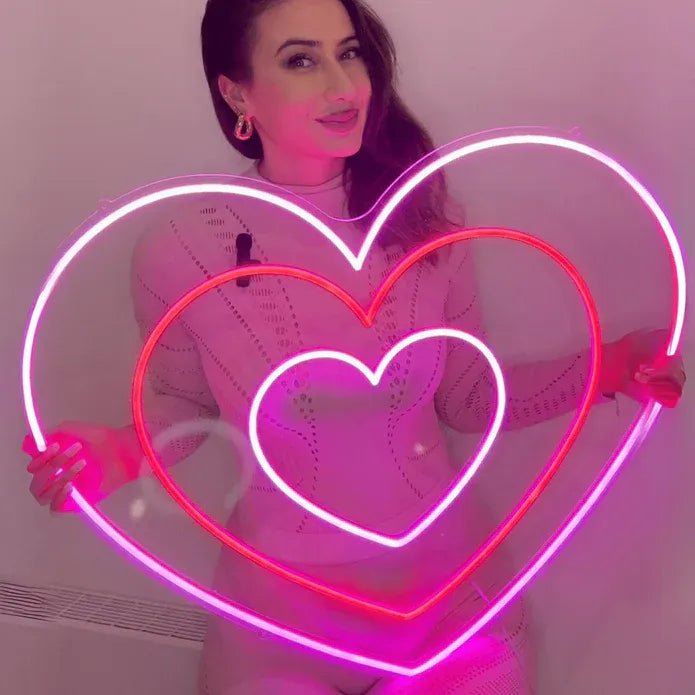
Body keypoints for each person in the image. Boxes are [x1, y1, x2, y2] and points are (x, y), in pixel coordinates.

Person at [25, 1, 686, 693]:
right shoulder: (180, 250)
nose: (342, 85)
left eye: (351, 53)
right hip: (279, 623)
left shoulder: (426, 216)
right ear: (236, 93)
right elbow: (180, 407)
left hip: (448, 607)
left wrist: (613, 365)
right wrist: (116, 454)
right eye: (301, 60)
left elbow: (470, 398)